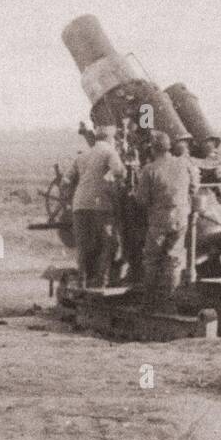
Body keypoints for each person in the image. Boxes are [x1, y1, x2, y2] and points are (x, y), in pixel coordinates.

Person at [133, 131, 195, 310]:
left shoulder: (150, 169)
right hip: (181, 217)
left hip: (160, 220)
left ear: (152, 149)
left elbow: (141, 200)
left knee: (152, 259)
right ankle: (169, 301)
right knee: (173, 259)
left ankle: (150, 303)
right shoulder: (184, 164)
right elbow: (194, 187)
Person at [68, 125, 126, 291]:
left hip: (79, 205)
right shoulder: (109, 151)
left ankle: (82, 282)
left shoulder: (83, 155)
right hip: (100, 204)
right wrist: (108, 179)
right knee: (108, 243)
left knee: (83, 245)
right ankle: (101, 281)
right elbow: (119, 171)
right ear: (110, 139)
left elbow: (67, 179)